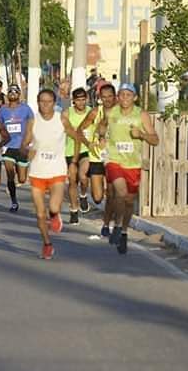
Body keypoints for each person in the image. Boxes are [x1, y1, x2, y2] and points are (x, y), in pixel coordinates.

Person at [98, 83, 159, 254]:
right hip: (114, 160)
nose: (125, 98)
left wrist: (142, 135)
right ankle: (117, 226)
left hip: (133, 164)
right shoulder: (111, 112)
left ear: (135, 97)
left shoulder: (141, 115)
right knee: (120, 192)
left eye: (128, 95)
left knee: (129, 201)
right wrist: (102, 136)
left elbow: (155, 139)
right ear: (118, 96)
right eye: (122, 94)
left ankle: (123, 231)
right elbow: (102, 126)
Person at [21, 89, 78, 260]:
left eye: (49, 101)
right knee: (39, 214)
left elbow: (75, 137)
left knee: (53, 207)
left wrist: (73, 161)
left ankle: (55, 215)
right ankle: (47, 244)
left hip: (57, 170)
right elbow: (24, 144)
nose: (45, 105)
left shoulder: (61, 119)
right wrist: (27, 151)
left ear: (55, 103)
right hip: (38, 171)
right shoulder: (33, 121)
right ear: (38, 103)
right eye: (42, 101)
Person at [77, 82, 118, 236]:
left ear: (115, 97)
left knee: (112, 191)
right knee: (98, 197)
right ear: (100, 98)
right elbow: (80, 130)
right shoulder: (95, 112)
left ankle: (107, 224)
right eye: (104, 97)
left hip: (113, 157)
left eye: (110, 96)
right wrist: (88, 144)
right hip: (96, 157)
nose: (107, 99)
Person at [0, 84, 34, 212]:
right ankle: (13, 202)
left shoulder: (26, 109)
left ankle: (20, 171)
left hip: (22, 146)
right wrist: (1, 135)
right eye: (10, 91)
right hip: (9, 147)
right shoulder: (3, 110)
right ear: (7, 94)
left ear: (19, 94)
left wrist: (28, 142)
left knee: (22, 179)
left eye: (15, 91)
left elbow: (31, 125)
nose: (13, 93)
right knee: (10, 174)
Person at [62, 87, 92, 225]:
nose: (81, 103)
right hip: (70, 151)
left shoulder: (91, 112)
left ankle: (83, 195)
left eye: (83, 99)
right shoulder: (67, 113)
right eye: (78, 100)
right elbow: (64, 130)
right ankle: (74, 210)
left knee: (83, 176)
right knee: (72, 181)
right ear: (73, 101)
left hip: (86, 150)